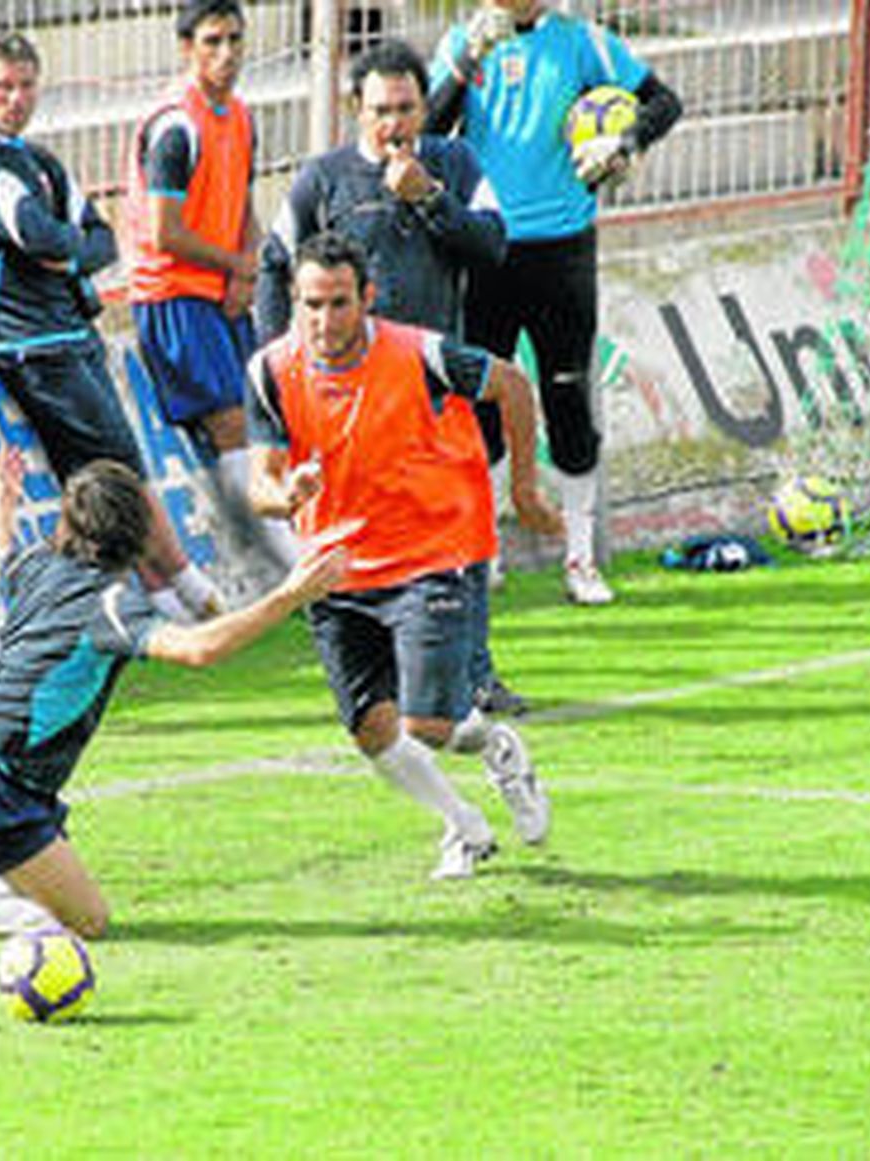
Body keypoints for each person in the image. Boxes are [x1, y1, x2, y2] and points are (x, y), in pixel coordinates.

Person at [0, 447, 347, 938]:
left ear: (69, 524)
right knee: (83, 921)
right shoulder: (110, 605)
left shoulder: (40, 564)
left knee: (37, 893)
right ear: (138, 533)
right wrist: (291, 595)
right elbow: (199, 648)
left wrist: (4, 498)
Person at [247, 232, 561, 879]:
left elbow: (512, 386)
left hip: (433, 552)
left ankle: (491, 748)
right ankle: (466, 823)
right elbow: (259, 486)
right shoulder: (270, 372)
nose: (323, 321)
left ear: (367, 297)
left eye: (338, 303)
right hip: (335, 567)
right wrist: (288, 494)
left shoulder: (422, 354)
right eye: (311, 304)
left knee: (425, 725)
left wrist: (525, 488)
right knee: (371, 731)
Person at [255, 37, 524, 717]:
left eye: (407, 109)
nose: (395, 124)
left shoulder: (455, 163)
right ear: (356, 109)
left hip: (432, 383)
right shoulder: (324, 178)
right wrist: (279, 359)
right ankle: (382, 677)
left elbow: (494, 244)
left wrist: (432, 199)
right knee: (360, 527)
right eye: (381, 110)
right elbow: (274, 262)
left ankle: (476, 673)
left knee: (455, 521)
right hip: (345, 390)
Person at [0, 31, 222, 623]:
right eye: (2, 87)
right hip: (28, 342)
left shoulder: (37, 161)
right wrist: (67, 248)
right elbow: (37, 234)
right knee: (118, 466)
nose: (15, 99)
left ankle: (152, 597)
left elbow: (101, 241)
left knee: (97, 477)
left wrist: (65, 254)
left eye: (25, 86)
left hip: (67, 332)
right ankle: (193, 592)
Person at [427, 0, 683, 605]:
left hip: (564, 248)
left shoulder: (582, 43)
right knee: (480, 400)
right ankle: (482, 551)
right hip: (487, 245)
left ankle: (580, 556)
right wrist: (467, 61)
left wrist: (624, 140)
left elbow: (664, 102)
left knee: (567, 399)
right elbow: (430, 133)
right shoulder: (464, 41)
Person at [127, 0, 297, 569]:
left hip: (221, 285)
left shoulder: (241, 115)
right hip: (172, 294)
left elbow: (244, 201)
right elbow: (162, 232)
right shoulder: (175, 126)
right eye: (211, 42)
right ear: (186, 48)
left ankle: (281, 548)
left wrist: (245, 265)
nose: (226, 54)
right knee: (229, 418)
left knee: (258, 411)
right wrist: (236, 265)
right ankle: (282, 565)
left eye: (233, 40)